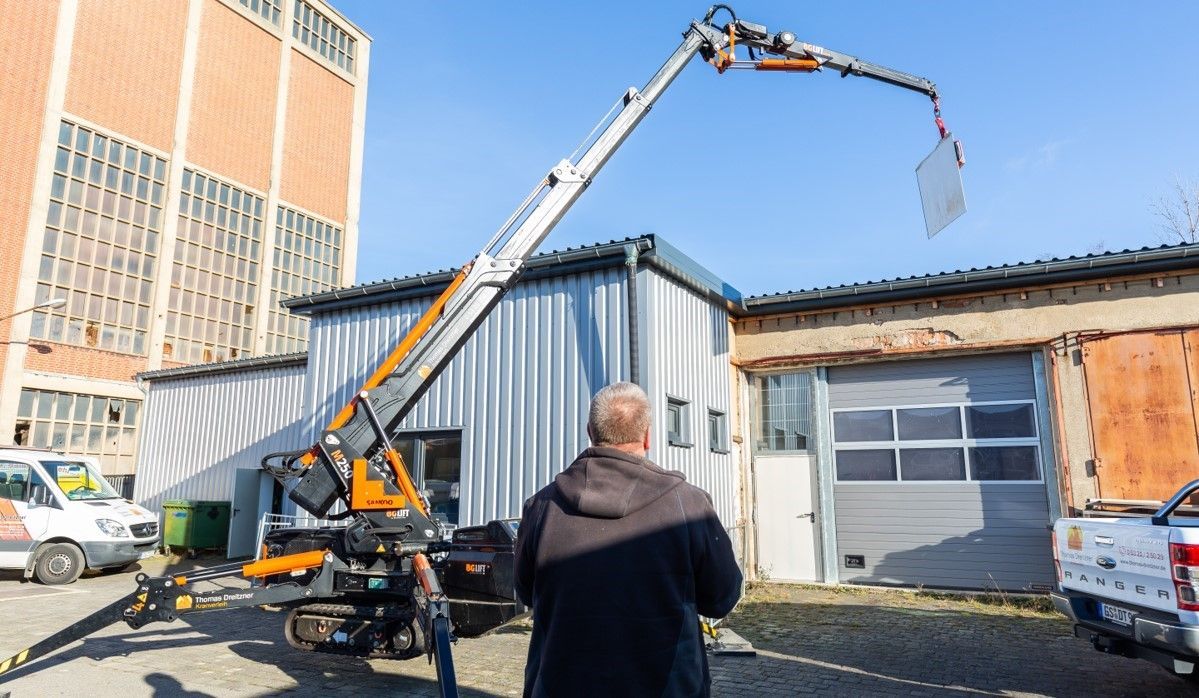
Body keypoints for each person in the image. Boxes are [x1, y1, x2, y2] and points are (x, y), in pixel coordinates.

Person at [515, 382, 742, 697]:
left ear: (590, 432)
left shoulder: (541, 507)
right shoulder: (689, 505)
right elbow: (722, 598)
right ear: (647, 436)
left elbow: (527, 592)